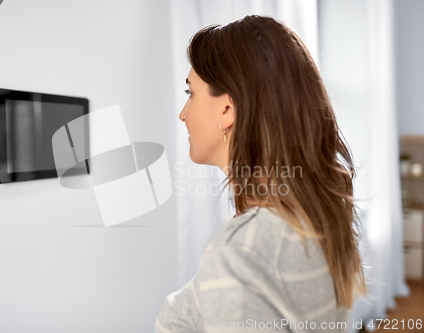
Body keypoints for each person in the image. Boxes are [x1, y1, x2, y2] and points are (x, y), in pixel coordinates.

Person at [154, 14, 367, 333]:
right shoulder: (311, 214)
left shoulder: (243, 251)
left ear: (227, 109)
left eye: (191, 93)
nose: (183, 114)